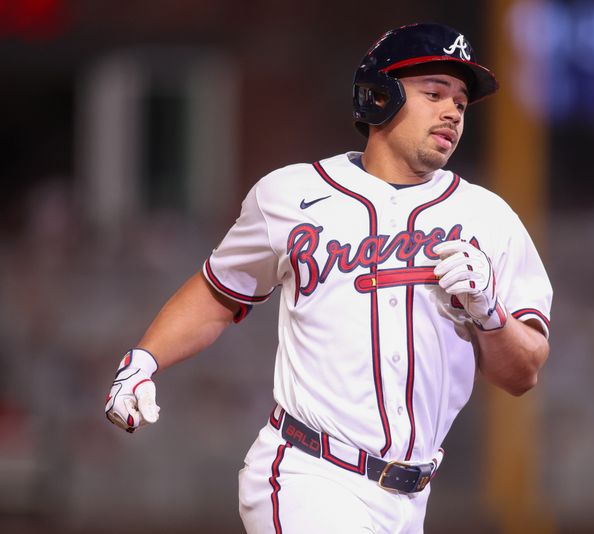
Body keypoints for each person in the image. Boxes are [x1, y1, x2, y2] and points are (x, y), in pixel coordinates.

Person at [104, 23, 552, 533]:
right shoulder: (290, 195)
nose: (452, 111)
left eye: (462, 103)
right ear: (379, 96)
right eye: (434, 93)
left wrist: (490, 313)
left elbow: (523, 373)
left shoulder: (488, 217)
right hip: (308, 475)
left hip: (412, 498)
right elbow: (217, 291)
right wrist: (144, 359)